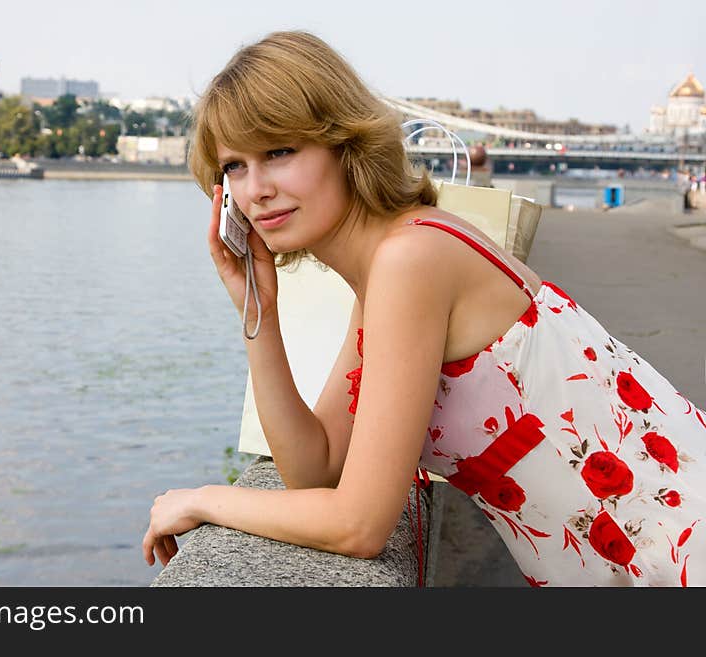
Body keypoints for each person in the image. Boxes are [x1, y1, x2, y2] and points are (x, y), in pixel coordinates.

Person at [142, 30, 706, 586]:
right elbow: (315, 470)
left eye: (279, 152)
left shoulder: (408, 261)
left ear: (345, 144)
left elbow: (359, 525)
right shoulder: (387, 266)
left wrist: (205, 500)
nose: (255, 188)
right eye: (234, 166)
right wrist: (257, 311)